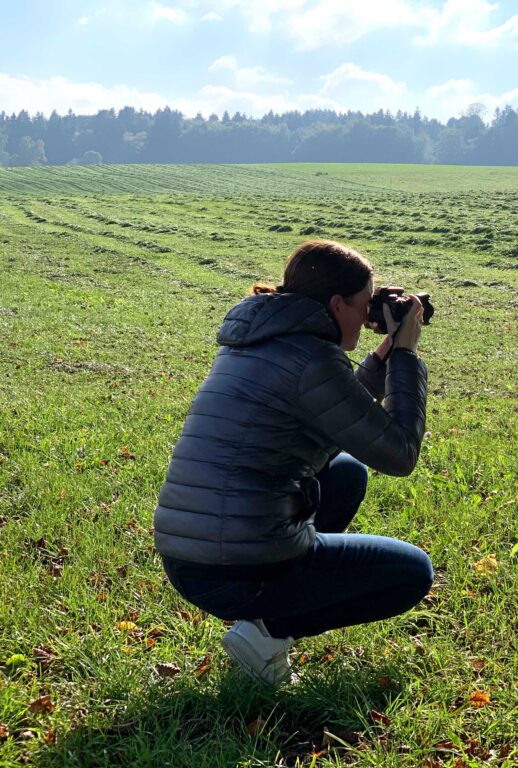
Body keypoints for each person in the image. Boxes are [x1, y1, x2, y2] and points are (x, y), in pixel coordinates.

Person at [153, 239, 432, 686]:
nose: (368, 317)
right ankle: (267, 631)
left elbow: (331, 403)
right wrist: (405, 355)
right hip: (234, 567)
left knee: (346, 472)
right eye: (364, 304)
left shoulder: (263, 337)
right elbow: (399, 453)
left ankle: (271, 611)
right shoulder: (312, 359)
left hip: (187, 554)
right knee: (412, 572)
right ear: (337, 304)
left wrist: (381, 357)